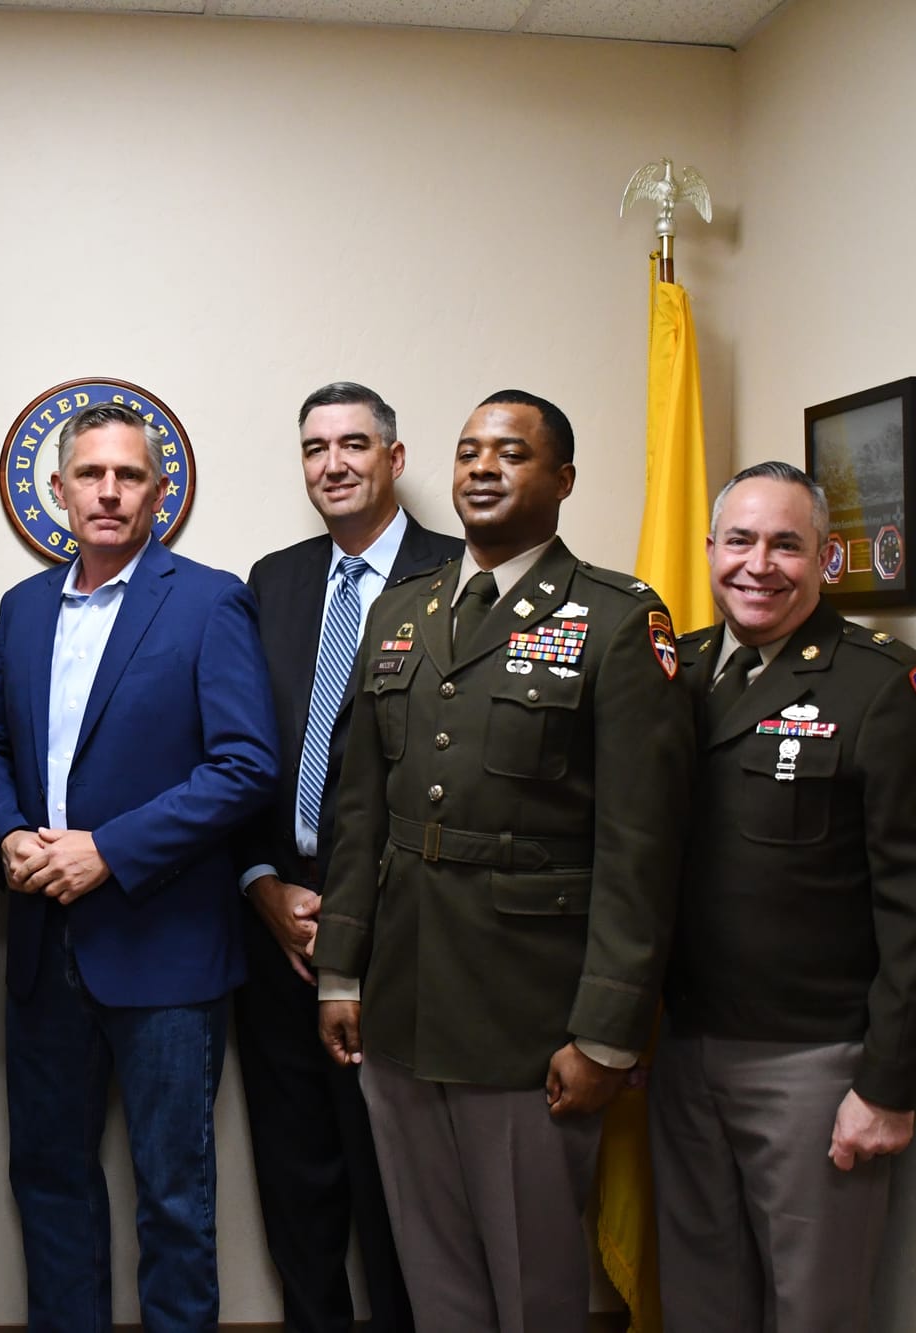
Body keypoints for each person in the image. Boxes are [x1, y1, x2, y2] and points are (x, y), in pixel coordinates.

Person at [314, 389, 695, 1332]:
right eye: (470, 451)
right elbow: (360, 810)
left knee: (535, 1284)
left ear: (562, 480)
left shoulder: (616, 619)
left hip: (531, 1018)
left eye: (511, 453)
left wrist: (607, 1032)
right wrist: (339, 970)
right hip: (400, 1001)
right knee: (433, 1268)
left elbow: (643, 847)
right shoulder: (402, 610)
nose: (483, 467)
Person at [649, 460, 916, 1332]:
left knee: (815, 1310)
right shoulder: (672, 673)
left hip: (814, 1066)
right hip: (682, 1047)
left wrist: (889, 1082)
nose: (760, 564)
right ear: (710, 548)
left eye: (788, 544)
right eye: (741, 540)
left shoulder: (886, 689)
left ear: (826, 561)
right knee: (698, 1298)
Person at [0, 399, 280, 1332]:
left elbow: (247, 764)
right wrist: (10, 829)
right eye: (91, 474)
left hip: (165, 949)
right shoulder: (23, 607)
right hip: (41, 945)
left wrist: (110, 849)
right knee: (50, 1179)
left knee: (176, 1196)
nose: (109, 491)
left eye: (130, 475)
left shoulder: (208, 597)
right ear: (60, 488)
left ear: (159, 492)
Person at [232, 381, 456, 1333]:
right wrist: (260, 882)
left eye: (355, 444)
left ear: (394, 459)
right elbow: (233, 751)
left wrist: (359, 919)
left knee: (402, 1184)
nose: (334, 464)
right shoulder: (272, 579)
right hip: (279, 927)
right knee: (298, 1176)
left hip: (407, 936)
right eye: (316, 448)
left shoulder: (462, 572)